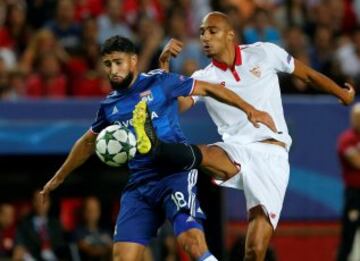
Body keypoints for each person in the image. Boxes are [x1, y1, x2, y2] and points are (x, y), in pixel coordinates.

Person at [135, 11, 355, 261]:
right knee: (204, 154)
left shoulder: (264, 52)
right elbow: (178, 106)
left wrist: (341, 93)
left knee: (254, 251)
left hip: (273, 157)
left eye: (212, 31)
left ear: (230, 35)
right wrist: (164, 71)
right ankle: (157, 150)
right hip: (236, 150)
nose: (205, 37)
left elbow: (306, 75)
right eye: (202, 32)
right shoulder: (203, 78)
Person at [39, 35, 276, 261]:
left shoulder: (160, 82)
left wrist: (249, 109)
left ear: (133, 60)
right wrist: (59, 177)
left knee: (191, 242)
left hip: (174, 173)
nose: (113, 70)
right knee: (122, 256)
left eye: (118, 62)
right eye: (108, 64)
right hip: (140, 183)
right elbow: (88, 141)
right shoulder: (109, 105)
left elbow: (212, 88)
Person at [337, 103, 360, 261]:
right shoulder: (347, 139)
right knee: (349, 236)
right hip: (355, 194)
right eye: (356, 117)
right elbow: (357, 162)